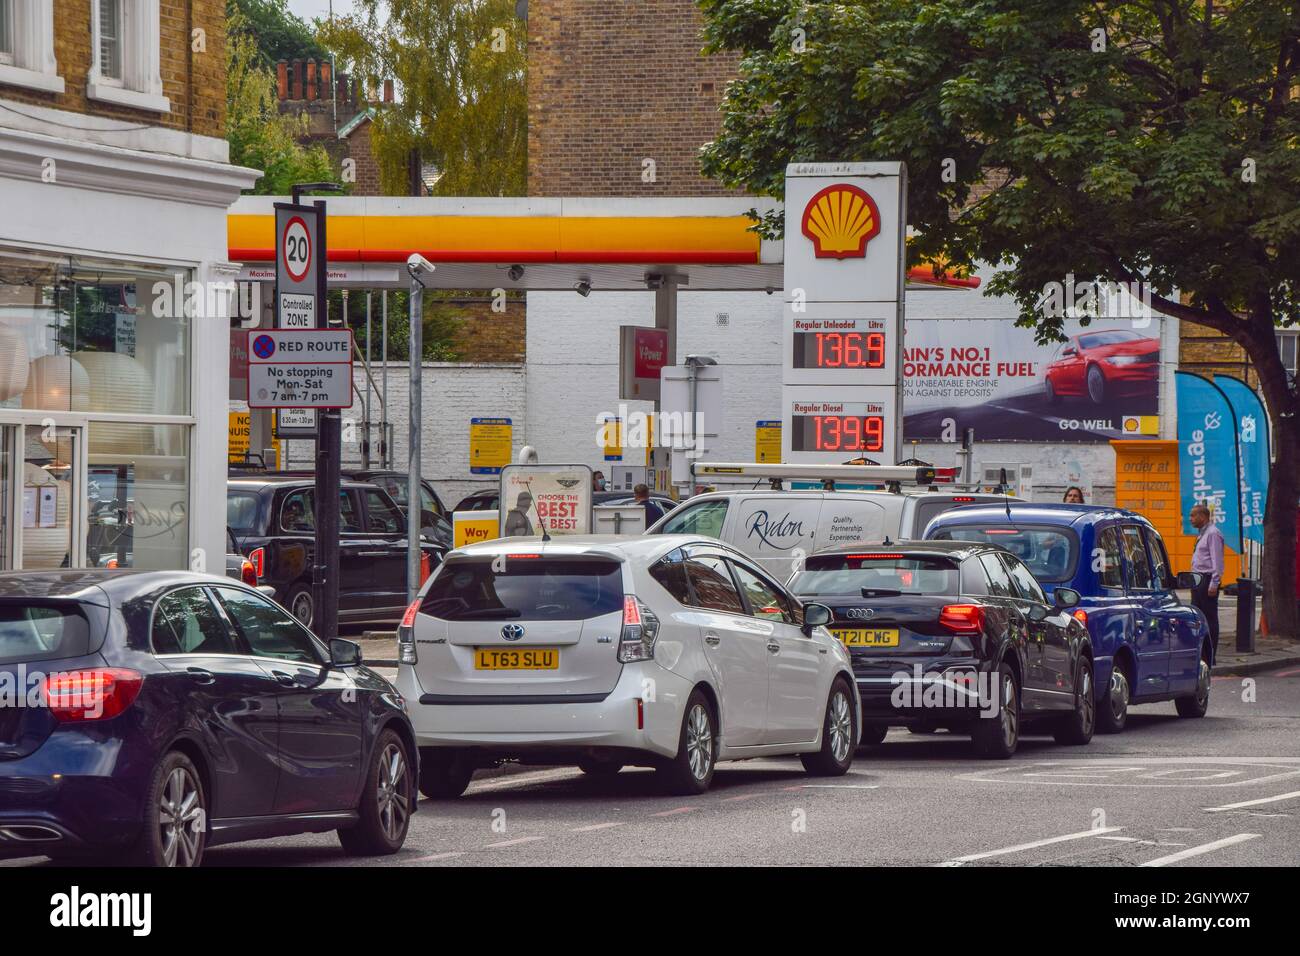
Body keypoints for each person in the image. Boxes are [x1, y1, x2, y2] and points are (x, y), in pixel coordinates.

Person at [1189, 502, 1224, 664]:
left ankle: (1211, 655)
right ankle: (1201, 653)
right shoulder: (1202, 533)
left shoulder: (1213, 534)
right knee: (1197, 618)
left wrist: (1214, 583)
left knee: (1209, 618)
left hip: (1207, 580)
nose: (1190, 519)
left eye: (1193, 515)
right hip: (1197, 580)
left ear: (1203, 517)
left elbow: (1217, 561)